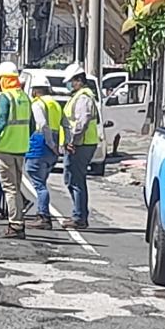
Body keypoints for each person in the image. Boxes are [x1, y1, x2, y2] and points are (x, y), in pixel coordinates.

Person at [0, 61, 33, 239]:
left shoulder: (5, 98)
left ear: (6, 79)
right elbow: (32, 124)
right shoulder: (24, 97)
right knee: (15, 186)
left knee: (9, 188)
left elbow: (0, 122)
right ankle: (18, 222)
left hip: (6, 147)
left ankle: (15, 225)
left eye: (0, 79)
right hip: (20, 148)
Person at [25, 75, 68, 230]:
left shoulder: (38, 104)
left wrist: (50, 143)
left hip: (40, 144)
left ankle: (43, 216)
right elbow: (66, 124)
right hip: (52, 146)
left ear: (36, 91)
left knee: (38, 183)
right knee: (42, 181)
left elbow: (42, 125)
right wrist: (62, 144)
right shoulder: (55, 104)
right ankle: (42, 214)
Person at [61, 63, 100, 230]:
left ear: (78, 81)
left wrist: (73, 141)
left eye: (71, 81)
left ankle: (79, 217)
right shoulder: (79, 96)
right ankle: (79, 214)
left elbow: (81, 122)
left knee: (76, 180)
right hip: (79, 143)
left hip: (81, 144)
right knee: (71, 179)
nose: (69, 85)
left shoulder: (83, 98)